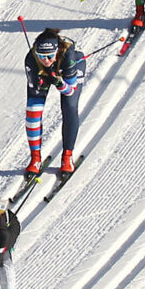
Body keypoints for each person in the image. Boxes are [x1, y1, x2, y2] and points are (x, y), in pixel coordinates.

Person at [22, 27, 84, 178]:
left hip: (67, 73)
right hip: (45, 74)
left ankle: (67, 157)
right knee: (32, 113)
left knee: (69, 106)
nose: (46, 60)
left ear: (56, 52)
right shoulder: (31, 59)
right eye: (41, 56)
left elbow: (69, 90)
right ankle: (35, 158)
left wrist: (59, 82)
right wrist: (43, 81)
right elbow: (36, 89)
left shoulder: (68, 56)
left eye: (50, 56)